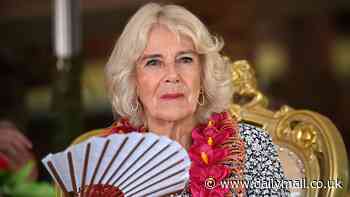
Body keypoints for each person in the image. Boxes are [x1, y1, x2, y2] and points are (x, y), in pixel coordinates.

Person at [97, 3, 289, 196]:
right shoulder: (108, 163)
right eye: (153, 62)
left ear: (203, 74)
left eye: (185, 59)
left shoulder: (251, 147)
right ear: (133, 80)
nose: (172, 75)